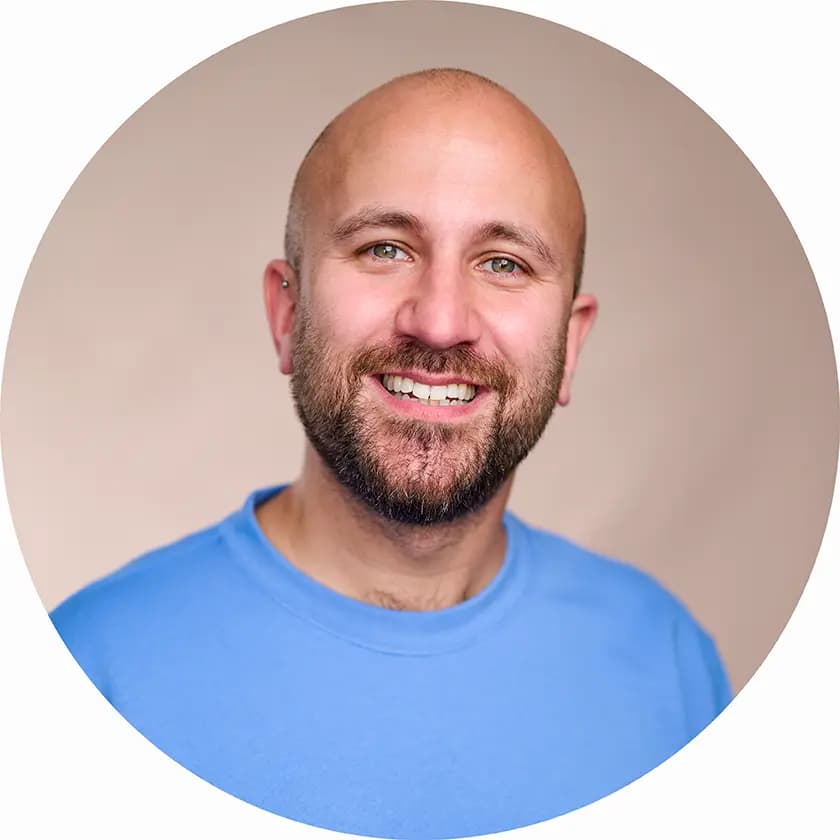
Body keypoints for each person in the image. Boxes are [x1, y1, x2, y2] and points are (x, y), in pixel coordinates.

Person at [51, 68, 731, 839]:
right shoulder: (85, 674)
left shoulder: (671, 666)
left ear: (571, 345)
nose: (440, 322)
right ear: (288, 312)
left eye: (504, 262)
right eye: (384, 249)